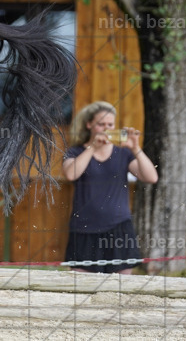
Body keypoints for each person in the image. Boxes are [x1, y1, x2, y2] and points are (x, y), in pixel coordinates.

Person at [62, 101, 159, 274]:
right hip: (84, 228)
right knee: (79, 287)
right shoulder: (76, 152)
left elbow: (151, 177)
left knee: (120, 289)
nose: (106, 128)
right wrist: (92, 147)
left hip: (119, 227)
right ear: (89, 125)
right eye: (101, 124)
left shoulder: (123, 153)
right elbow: (71, 174)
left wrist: (136, 148)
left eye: (110, 125)